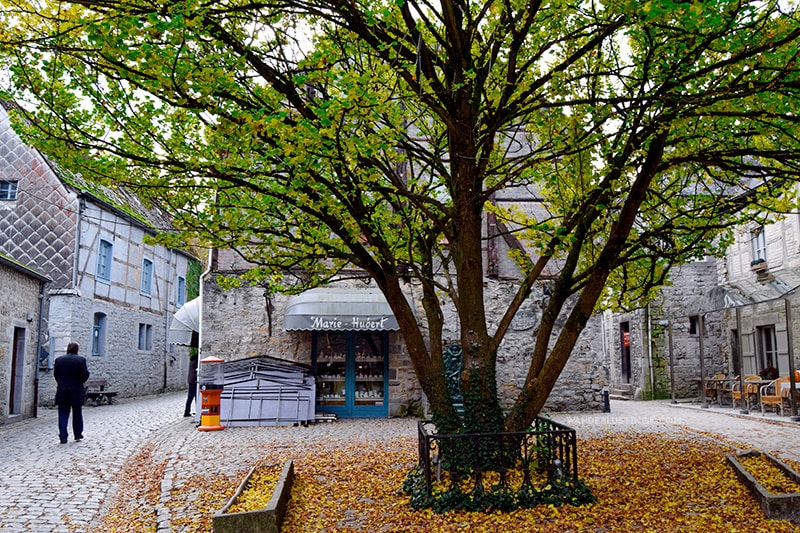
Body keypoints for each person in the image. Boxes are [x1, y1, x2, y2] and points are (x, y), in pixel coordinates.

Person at [54, 342, 90, 443]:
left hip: (62, 390)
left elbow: (56, 375)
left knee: (63, 414)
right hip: (76, 390)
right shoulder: (80, 360)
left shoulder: (59, 360)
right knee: (77, 413)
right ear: (77, 349)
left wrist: (61, 383)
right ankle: (78, 434)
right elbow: (84, 375)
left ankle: (63, 436)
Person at [184, 353, 198, 417]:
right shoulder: (196, 361)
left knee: (190, 397)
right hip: (194, 381)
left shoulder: (192, 361)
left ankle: (186, 412)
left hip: (190, 380)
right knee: (196, 397)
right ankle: (198, 411)